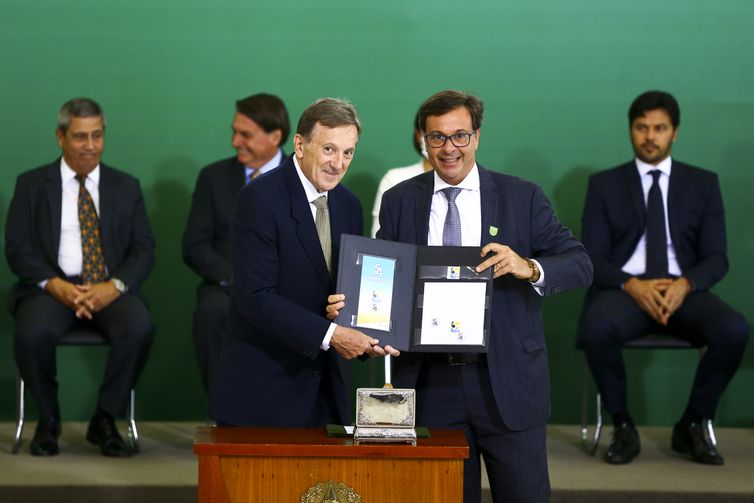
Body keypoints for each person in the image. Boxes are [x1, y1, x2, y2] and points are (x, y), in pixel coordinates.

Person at [364, 90, 592, 502]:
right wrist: (359, 314)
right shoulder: (400, 201)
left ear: (477, 137)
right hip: (431, 385)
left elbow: (579, 263)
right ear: (423, 140)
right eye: (437, 137)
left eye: (460, 136)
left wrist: (529, 267)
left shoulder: (521, 196)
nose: (449, 148)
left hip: (507, 382)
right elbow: (383, 280)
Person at [578, 90, 749, 466]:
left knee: (734, 329)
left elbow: (717, 258)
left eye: (659, 128)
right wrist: (632, 285)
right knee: (596, 325)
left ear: (675, 132)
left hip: (682, 290)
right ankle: (623, 426)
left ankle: (691, 423)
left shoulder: (703, 184)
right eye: (641, 128)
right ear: (630, 130)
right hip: (626, 289)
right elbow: (592, 255)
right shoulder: (604, 185)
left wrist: (685, 284)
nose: (650, 136)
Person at [211, 97, 399, 427]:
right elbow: (255, 298)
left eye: (347, 152)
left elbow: (343, 293)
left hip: (328, 393)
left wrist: (370, 331)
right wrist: (332, 333)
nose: (338, 163)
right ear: (300, 144)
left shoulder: (349, 204)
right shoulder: (259, 198)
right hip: (267, 389)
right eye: (329, 149)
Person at [5, 97, 155, 457]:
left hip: (109, 289)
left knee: (140, 327)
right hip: (51, 289)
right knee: (31, 332)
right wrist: (54, 285)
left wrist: (113, 286)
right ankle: (48, 421)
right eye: (80, 137)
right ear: (60, 137)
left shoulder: (126, 186)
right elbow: (17, 247)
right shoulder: (31, 185)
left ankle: (104, 420)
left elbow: (144, 250)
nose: (90, 146)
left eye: (97, 136)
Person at [182, 93, 290, 399]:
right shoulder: (213, 178)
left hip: (286, 289)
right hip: (229, 287)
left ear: (275, 137)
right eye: (234, 132)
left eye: (245, 134)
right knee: (210, 311)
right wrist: (236, 278)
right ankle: (222, 413)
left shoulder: (300, 178)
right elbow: (194, 246)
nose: (234, 141)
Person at [370, 110, 432, 237]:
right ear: (418, 135)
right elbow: (378, 246)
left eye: (458, 135)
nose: (447, 147)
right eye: (434, 135)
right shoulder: (395, 180)